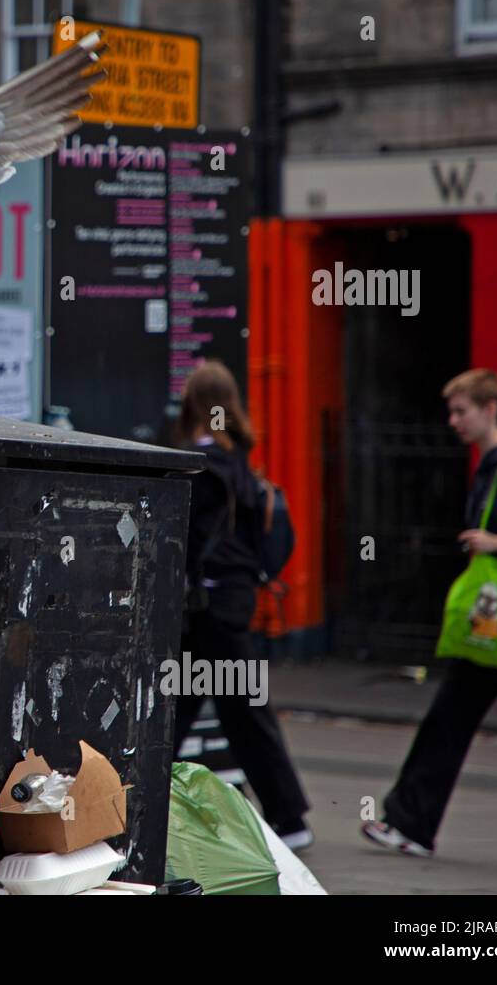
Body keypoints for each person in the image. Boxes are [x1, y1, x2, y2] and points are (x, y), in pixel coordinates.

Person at [363, 368, 497, 859]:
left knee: (453, 716)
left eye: (462, 411)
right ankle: (410, 821)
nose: (454, 421)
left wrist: (493, 542)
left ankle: (410, 823)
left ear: (490, 409)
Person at [173, 360, 313, 850]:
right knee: (218, 708)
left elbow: (184, 542)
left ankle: (290, 817)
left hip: (204, 607)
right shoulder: (243, 467)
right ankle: (288, 816)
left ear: (191, 404)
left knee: (213, 709)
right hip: (230, 605)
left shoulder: (198, 466)